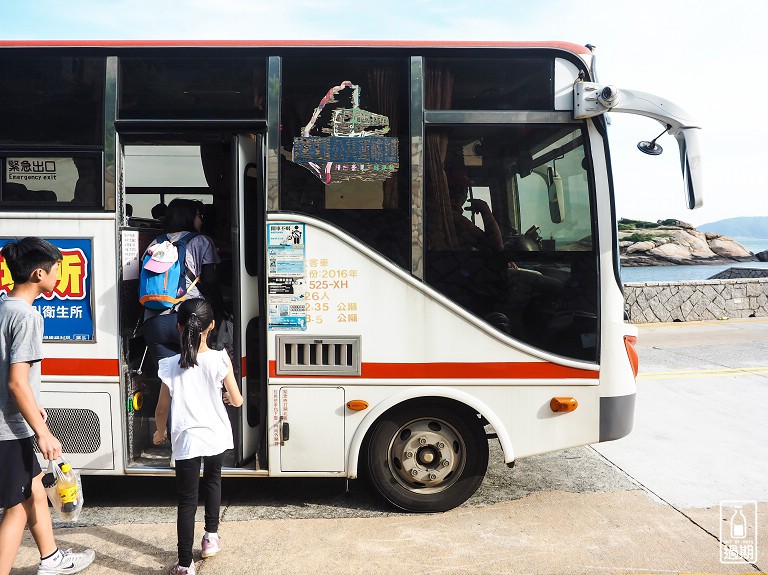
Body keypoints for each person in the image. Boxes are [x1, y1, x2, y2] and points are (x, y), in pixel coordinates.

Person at [0, 237, 95, 575]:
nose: (58, 276)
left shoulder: (3, 306)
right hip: (9, 428)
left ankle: (51, 557)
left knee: (35, 486)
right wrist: (43, 432)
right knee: (16, 508)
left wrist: (33, 411)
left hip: (14, 421)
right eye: (56, 270)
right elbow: (16, 381)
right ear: (39, 274)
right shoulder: (26, 317)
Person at [152, 298, 243, 575]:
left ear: (179, 327)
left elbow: (161, 409)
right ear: (212, 326)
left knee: (187, 500)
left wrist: (159, 431)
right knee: (213, 482)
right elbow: (237, 401)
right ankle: (211, 538)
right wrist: (227, 396)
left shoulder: (169, 365)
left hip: (187, 439)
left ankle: (184, 564)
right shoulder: (220, 358)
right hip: (215, 435)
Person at [142, 198, 225, 368]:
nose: (201, 219)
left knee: (167, 378)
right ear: (189, 217)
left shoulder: (156, 242)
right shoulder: (201, 241)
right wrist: (219, 307)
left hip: (153, 320)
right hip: (190, 316)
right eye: (198, 215)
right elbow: (209, 279)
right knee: (194, 373)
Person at [448, 177, 503, 252]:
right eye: (464, 188)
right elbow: (496, 248)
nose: (465, 192)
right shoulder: (455, 219)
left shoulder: (436, 213)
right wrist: (485, 210)